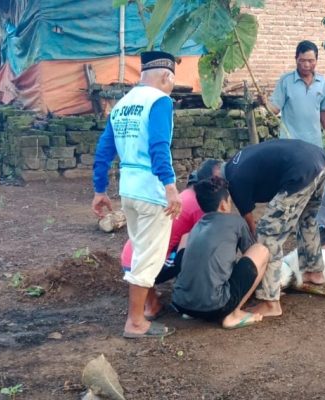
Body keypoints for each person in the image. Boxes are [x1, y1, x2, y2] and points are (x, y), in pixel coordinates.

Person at [92, 51, 181, 339]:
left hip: (128, 189)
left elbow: (104, 150)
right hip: (151, 190)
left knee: (142, 252)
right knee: (148, 259)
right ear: (167, 76)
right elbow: (159, 146)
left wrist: (99, 190)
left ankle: (145, 310)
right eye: (172, 81)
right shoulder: (160, 101)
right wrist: (170, 186)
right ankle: (136, 322)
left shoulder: (122, 105)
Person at [197, 139, 325, 317]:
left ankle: (270, 301)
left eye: (212, 186)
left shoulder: (234, 180)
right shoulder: (237, 163)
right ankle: (315, 273)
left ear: (215, 175)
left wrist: (255, 256)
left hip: (300, 172)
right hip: (321, 161)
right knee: (307, 220)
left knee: (268, 235)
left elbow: (250, 226)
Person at [172, 177, 269, 329]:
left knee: (186, 238)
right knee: (260, 251)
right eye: (229, 201)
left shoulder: (197, 226)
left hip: (181, 303)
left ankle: (191, 308)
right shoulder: (236, 222)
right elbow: (250, 252)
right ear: (224, 205)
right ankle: (233, 315)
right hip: (216, 306)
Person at [119, 167, 206, 320]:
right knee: (191, 245)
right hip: (145, 264)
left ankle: (149, 296)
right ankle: (152, 306)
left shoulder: (182, 196)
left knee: (166, 243)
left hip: (128, 259)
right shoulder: (199, 205)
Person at [262, 40, 325, 152]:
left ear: (316, 60)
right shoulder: (286, 81)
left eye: (311, 61)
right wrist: (264, 102)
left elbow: (323, 113)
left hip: (314, 145)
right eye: (302, 60)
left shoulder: (322, 82)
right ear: (296, 59)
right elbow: (275, 109)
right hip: (290, 144)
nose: (306, 65)